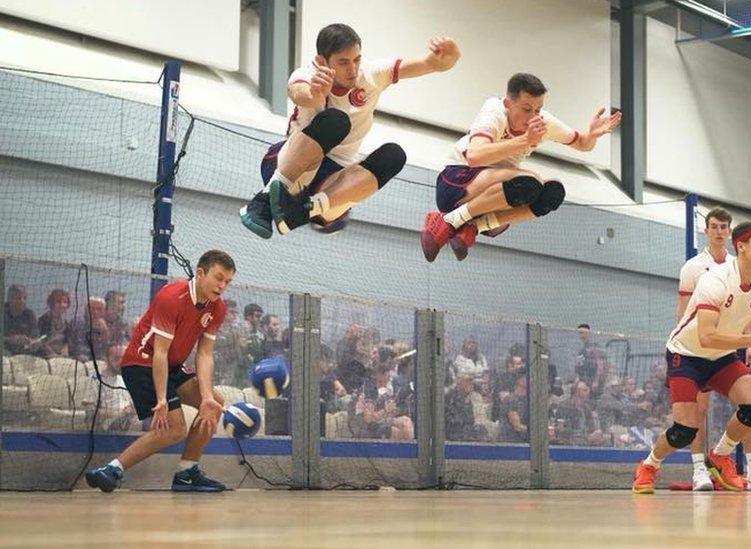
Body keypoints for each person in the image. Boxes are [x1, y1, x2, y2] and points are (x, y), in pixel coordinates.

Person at [241, 23, 459, 238]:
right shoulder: (308, 74)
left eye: (357, 59)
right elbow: (298, 92)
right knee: (336, 121)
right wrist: (316, 95)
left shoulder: (372, 75)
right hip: (291, 165)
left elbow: (426, 64)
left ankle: (304, 210)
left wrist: (443, 61)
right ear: (321, 61)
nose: (352, 69)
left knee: (394, 155)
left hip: (333, 181)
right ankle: (266, 197)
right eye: (343, 62)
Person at [632, 221, 751, 494]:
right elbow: (707, 336)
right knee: (684, 431)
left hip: (722, 356)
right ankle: (649, 465)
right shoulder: (715, 280)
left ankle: (720, 456)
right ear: (741, 246)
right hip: (687, 354)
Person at [420, 72, 621, 261]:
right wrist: (525, 140)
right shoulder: (494, 111)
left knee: (552, 193)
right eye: (526, 109)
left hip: (492, 193)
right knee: (528, 182)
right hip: (456, 183)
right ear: (508, 103)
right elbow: (475, 156)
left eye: (538, 109)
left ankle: (475, 226)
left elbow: (583, 144)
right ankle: (449, 220)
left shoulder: (542, 123)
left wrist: (592, 135)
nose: (533, 116)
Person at [84, 250, 235, 493]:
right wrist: (163, 398)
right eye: (218, 278)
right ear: (200, 273)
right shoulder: (172, 296)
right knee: (174, 430)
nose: (223, 285)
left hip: (172, 365)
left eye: (227, 281)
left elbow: (204, 354)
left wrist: (206, 397)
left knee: (215, 402)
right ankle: (112, 470)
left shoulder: (217, 308)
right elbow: (160, 353)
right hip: (142, 363)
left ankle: (187, 473)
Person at [676, 207, 751, 491]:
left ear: (731, 234)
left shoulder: (744, 265)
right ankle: (699, 471)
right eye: (714, 226)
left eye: (724, 227)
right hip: (699, 345)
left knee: (750, 401)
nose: (719, 231)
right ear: (706, 230)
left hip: (735, 343)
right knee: (699, 407)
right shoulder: (693, 268)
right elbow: (683, 313)